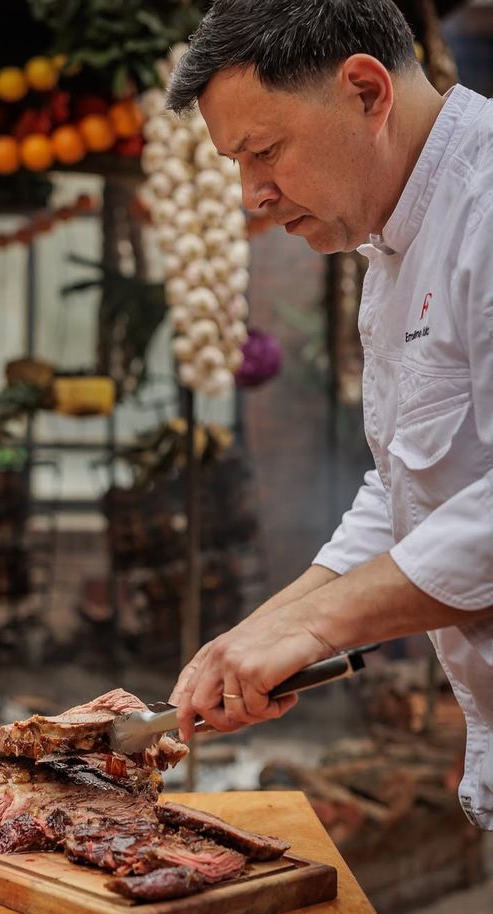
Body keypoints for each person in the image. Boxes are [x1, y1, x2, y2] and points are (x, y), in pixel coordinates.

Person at [166, 0, 493, 829]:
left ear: (364, 90)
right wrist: (262, 627)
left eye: (264, 152)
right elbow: (409, 487)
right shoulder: (388, 243)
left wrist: (312, 626)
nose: (252, 196)